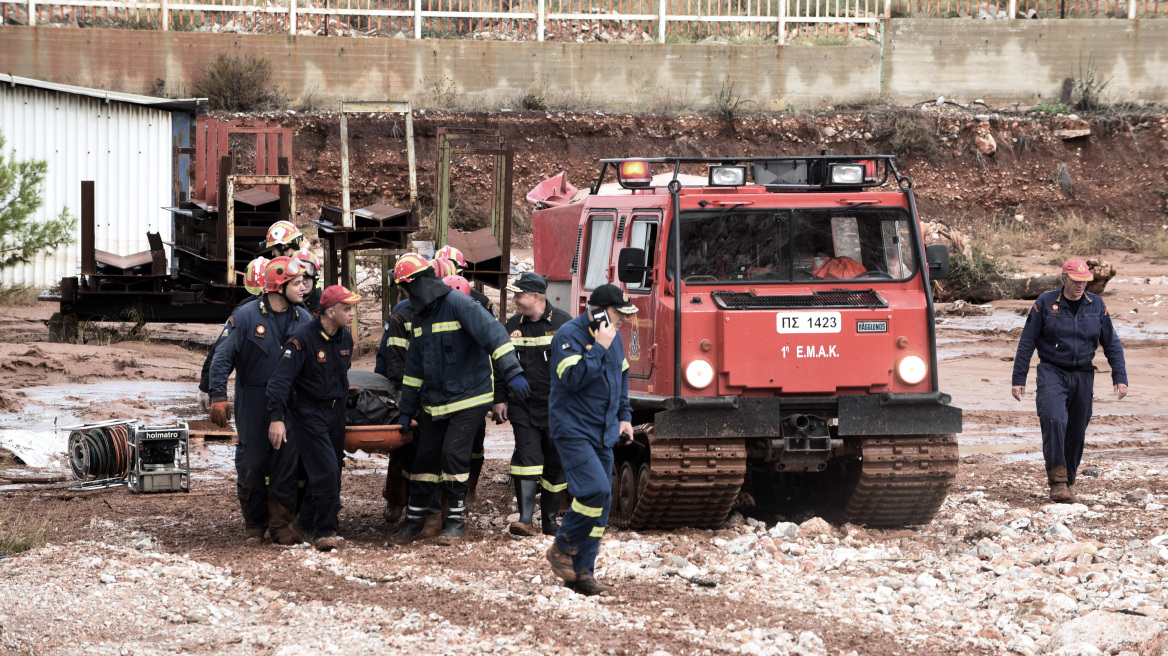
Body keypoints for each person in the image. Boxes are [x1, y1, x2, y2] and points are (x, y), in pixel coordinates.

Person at [390, 256, 530, 546]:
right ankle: (415, 520)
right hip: (436, 402)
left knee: (453, 455)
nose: (404, 297)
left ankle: (456, 521)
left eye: (404, 290)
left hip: (470, 397)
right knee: (424, 458)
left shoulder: (460, 304)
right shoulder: (420, 317)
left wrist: (513, 372)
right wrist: (406, 410)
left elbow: (496, 337)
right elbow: (414, 370)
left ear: (415, 285)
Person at [208, 256, 313, 545]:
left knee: (285, 463)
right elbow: (221, 358)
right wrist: (218, 396)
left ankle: (280, 525)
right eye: (296, 283)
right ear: (278, 287)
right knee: (253, 461)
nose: (303, 287)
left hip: (290, 402)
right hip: (253, 399)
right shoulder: (244, 317)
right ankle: (255, 522)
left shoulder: (303, 318)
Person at [545, 284, 637, 596]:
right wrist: (598, 346)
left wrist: (625, 416)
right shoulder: (568, 336)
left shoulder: (614, 335)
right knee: (594, 490)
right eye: (617, 313)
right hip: (573, 429)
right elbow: (571, 380)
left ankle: (582, 575)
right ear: (596, 311)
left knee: (601, 505)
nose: (622, 320)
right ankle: (562, 546)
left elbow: (621, 376)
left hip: (604, 431)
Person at [1012, 259, 1128, 503]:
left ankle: (1069, 481)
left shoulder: (1096, 304)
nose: (1080, 285)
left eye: (1084, 281)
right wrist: (1018, 378)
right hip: (1052, 371)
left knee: (1076, 429)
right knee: (1054, 419)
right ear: (1063, 279)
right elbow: (1026, 342)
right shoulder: (1045, 302)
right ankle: (1057, 482)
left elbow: (1112, 343)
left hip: (1084, 375)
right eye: (1075, 280)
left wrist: (1120, 376)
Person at [266, 285, 362, 552]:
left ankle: (304, 521)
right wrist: (277, 418)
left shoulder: (345, 338)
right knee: (326, 470)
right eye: (347, 309)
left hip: (336, 411)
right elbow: (279, 382)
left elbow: (341, 376)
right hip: (308, 413)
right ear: (329, 312)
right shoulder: (301, 339)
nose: (352, 313)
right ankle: (323, 530)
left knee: (334, 468)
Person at [499, 272, 570, 537]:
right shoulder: (512, 325)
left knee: (555, 461)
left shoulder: (564, 324)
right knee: (527, 458)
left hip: (558, 408)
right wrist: (499, 399)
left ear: (536, 296)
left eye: (519, 295)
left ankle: (549, 520)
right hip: (523, 406)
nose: (515, 299)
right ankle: (525, 519)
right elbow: (500, 364)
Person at [435, 243, 496, 499]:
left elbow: (492, 342)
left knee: (474, 444)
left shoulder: (480, 302)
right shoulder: (425, 302)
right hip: (440, 386)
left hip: (472, 385)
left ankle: (467, 491)